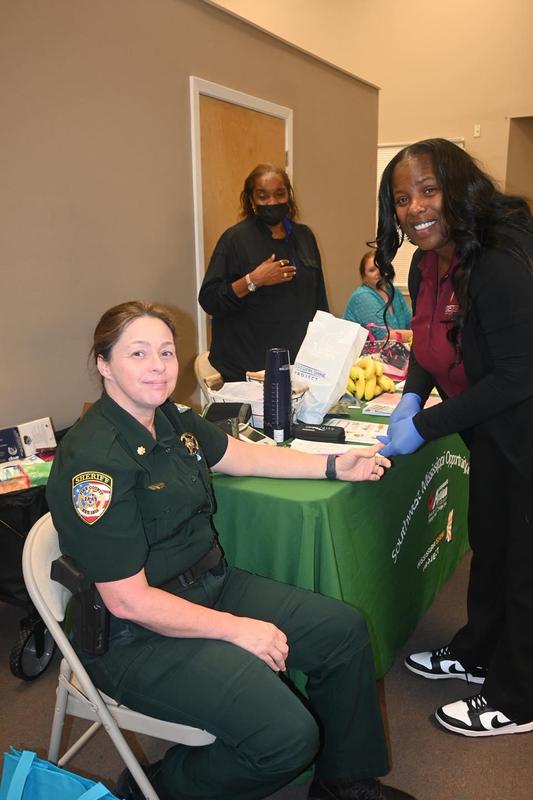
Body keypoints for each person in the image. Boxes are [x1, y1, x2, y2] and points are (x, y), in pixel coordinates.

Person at [46, 301, 415, 800]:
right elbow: (128, 601)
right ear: (104, 364)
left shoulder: (172, 419)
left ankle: (342, 783)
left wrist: (333, 466)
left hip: (210, 586)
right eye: (138, 353)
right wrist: (240, 630)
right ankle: (156, 785)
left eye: (166, 352)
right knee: (286, 737)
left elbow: (238, 454)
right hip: (134, 636)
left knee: (342, 633)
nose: (158, 366)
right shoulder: (94, 462)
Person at [374, 138, 533, 738]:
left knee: (524, 566)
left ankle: (520, 698)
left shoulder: (499, 260)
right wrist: (413, 393)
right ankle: (479, 652)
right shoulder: (426, 260)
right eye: (401, 198)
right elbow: (428, 341)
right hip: (488, 434)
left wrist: (427, 424)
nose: (414, 208)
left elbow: (520, 372)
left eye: (428, 190)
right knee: (489, 546)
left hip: (525, 435)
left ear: (459, 188)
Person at [198, 163, 328, 382]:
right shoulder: (235, 240)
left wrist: (324, 350)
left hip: (297, 366)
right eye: (263, 196)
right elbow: (209, 300)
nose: (272, 202)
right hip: (246, 369)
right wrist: (253, 280)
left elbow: (319, 301)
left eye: (280, 194)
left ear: (289, 196)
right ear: (251, 200)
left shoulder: (304, 237)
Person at [343, 250, 412, 343]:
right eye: (372, 270)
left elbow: (412, 322)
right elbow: (385, 337)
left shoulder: (394, 292)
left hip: (392, 353)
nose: (379, 272)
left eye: (382, 267)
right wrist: (420, 335)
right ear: (364, 278)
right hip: (362, 355)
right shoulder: (362, 297)